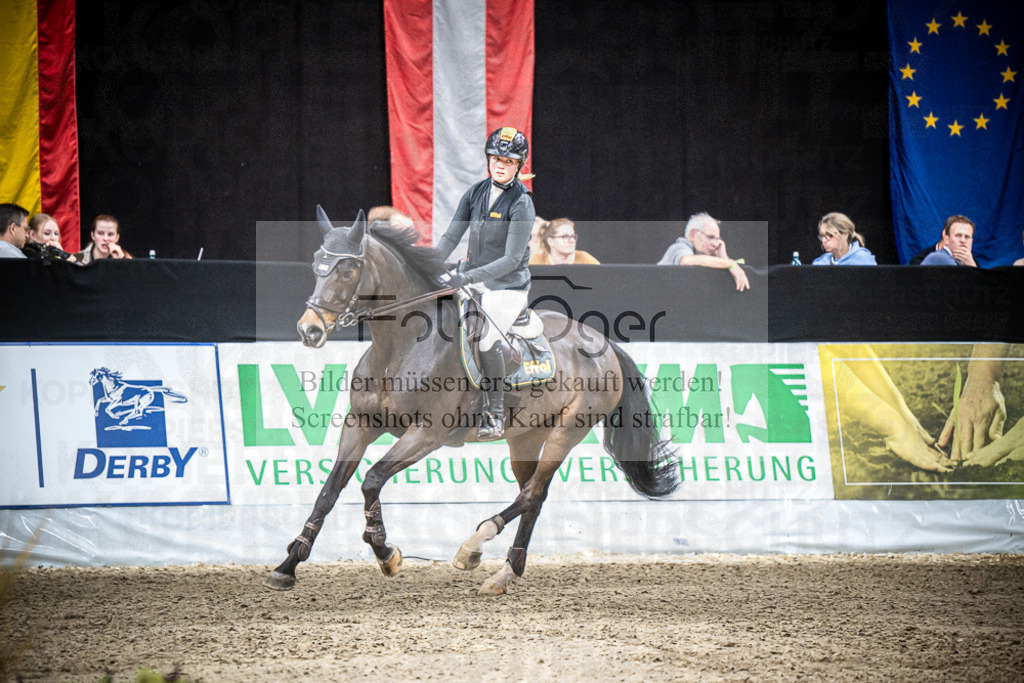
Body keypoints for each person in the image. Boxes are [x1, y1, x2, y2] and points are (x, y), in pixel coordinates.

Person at [435, 126, 536, 440]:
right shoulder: (476, 191)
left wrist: (465, 277)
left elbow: (510, 259)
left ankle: (494, 413)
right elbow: (452, 235)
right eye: (495, 158)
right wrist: (428, 264)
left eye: (507, 160)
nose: (500, 164)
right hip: (475, 280)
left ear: (519, 165)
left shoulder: (521, 203)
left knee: (487, 337)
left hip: (507, 287)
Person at [657, 212, 750, 291]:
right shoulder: (678, 247)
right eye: (711, 237)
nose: (716, 244)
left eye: (718, 239)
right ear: (693, 234)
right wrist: (730, 263)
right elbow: (686, 261)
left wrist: (723, 257)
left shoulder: (700, 254)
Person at [811, 212, 877, 265]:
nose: (824, 240)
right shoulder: (820, 263)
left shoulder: (863, 260)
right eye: (822, 236)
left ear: (845, 234)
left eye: (830, 235)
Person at [529, 218, 599, 265]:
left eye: (573, 236)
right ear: (551, 242)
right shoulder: (537, 261)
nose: (572, 240)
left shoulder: (585, 259)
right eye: (565, 237)